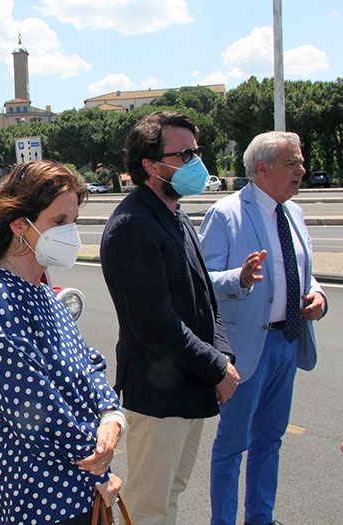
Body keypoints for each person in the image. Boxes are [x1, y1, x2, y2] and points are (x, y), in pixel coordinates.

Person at [0, 160, 126, 525]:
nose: (71, 233)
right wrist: (97, 464)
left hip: (79, 488)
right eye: (59, 222)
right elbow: (32, 405)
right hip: (38, 497)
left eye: (74, 221)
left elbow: (89, 363)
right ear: (20, 223)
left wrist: (111, 417)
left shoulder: (43, 293)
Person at [100, 111, 239, 525]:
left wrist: (223, 356)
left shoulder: (177, 215)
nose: (196, 162)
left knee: (171, 492)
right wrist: (216, 368)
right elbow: (155, 324)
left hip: (188, 386)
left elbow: (204, 300)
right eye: (185, 154)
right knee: (148, 506)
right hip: (159, 396)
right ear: (150, 165)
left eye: (197, 151)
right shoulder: (133, 225)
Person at [199, 131, 327, 525]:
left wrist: (318, 296)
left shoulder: (295, 213)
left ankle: (260, 517)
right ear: (262, 169)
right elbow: (202, 280)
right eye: (293, 163)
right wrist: (240, 278)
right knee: (232, 445)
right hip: (246, 349)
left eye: (301, 162)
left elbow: (305, 273)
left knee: (270, 439)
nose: (302, 170)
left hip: (287, 342)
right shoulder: (227, 213)